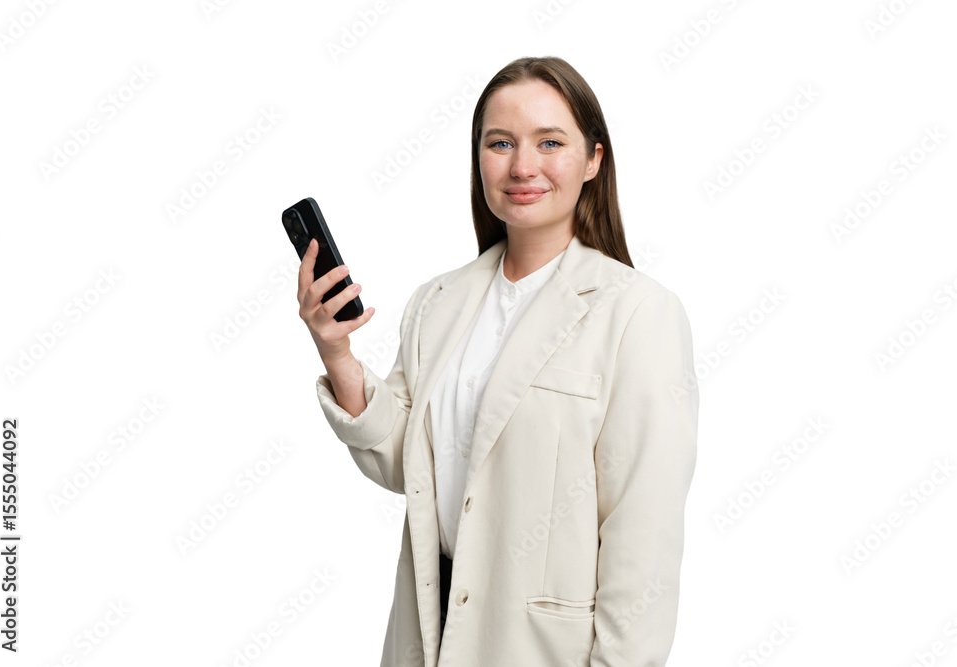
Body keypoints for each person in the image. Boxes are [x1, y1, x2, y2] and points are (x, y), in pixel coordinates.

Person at [298, 55, 699, 666]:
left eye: (550, 142)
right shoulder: (438, 303)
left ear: (594, 159)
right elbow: (410, 464)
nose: (522, 167)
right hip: (430, 636)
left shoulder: (638, 313)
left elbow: (645, 537)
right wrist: (337, 351)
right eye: (500, 143)